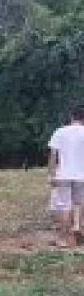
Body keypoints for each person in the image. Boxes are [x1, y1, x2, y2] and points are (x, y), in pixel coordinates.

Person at [48, 106, 84, 248]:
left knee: (64, 205)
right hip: (82, 175)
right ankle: (78, 228)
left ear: (71, 117)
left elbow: (53, 155)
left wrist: (51, 174)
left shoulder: (60, 131)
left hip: (63, 174)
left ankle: (63, 239)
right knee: (79, 203)